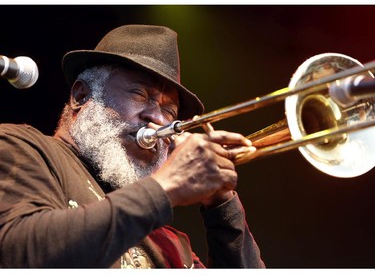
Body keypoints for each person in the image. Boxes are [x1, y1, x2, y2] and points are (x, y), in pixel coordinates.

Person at [0, 24, 265, 268]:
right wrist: (166, 187)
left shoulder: (170, 243)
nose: (158, 119)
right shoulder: (23, 147)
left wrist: (222, 203)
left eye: (169, 111)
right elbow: (18, 253)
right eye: (140, 95)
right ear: (82, 96)